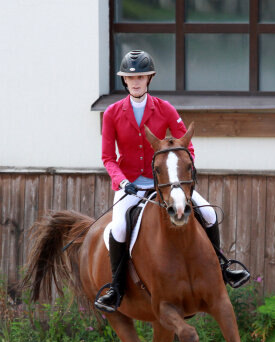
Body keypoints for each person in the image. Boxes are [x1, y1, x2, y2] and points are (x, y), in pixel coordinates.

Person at [95, 49, 250, 313]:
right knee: (118, 229)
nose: (135, 82)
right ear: (124, 81)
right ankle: (117, 288)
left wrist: (181, 174)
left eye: (141, 77)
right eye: (131, 78)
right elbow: (108, 157)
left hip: (168, 184)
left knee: (209, 214)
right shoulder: (111, 113)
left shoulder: (164, 108)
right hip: (131, 186)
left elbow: (187, 146)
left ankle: (223, 269)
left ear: (149, 79)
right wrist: (121, 182)